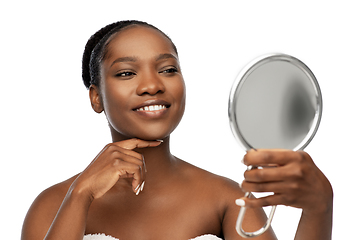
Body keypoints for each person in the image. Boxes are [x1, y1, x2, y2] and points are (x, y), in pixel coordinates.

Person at [21, 20, 333, 240]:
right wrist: (82, 194)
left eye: (168, 70)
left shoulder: (225, 199)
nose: (153, 85)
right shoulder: (52, 205)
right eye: (127, 72)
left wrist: (320, 207)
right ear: (96, 97)